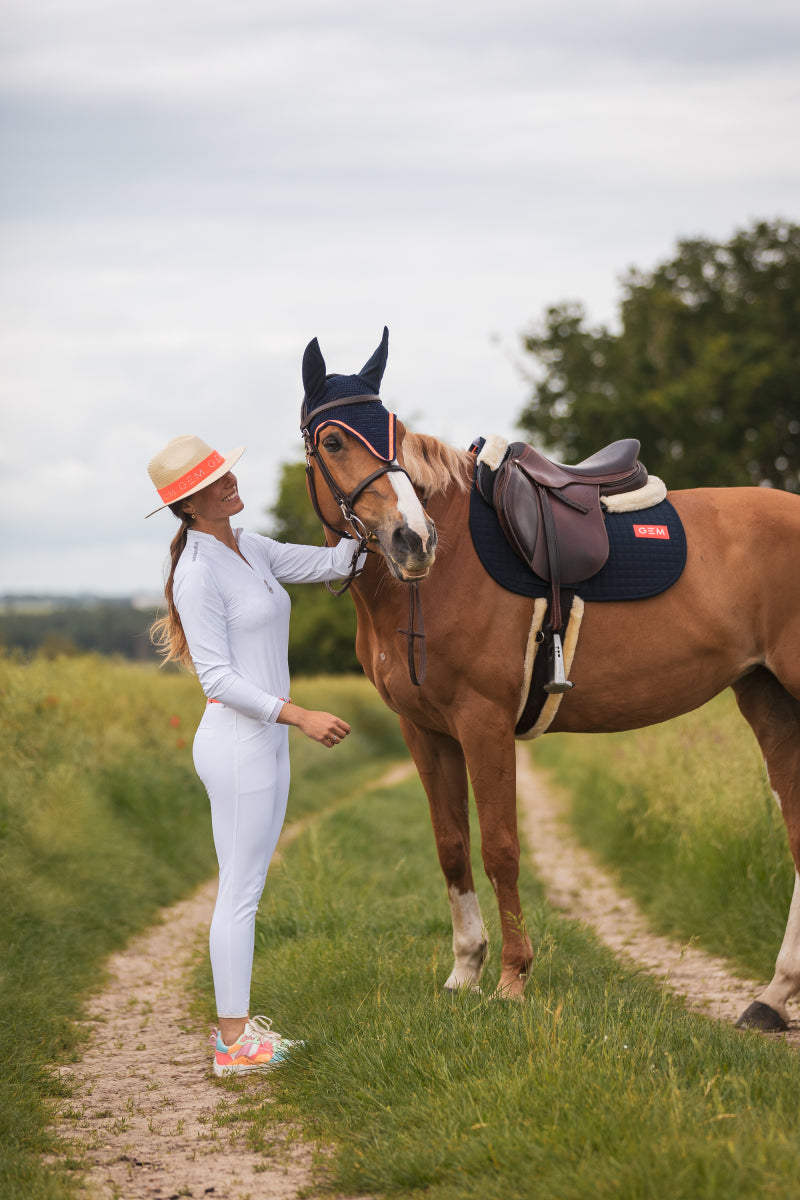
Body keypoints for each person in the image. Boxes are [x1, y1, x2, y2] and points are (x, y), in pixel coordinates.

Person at [146, 434, 363, 1077]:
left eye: (228, 474)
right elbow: (217, 680)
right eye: (217, 482)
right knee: (239, 892)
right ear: (190, 505)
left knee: (249, 887)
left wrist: (363, 506)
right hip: (237, 743)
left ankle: (237, 1034)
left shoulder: (250, 547)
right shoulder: (198, 572)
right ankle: (233, 1045)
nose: (232, 484)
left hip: (262, 742)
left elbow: (330, 566)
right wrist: (299, 715)